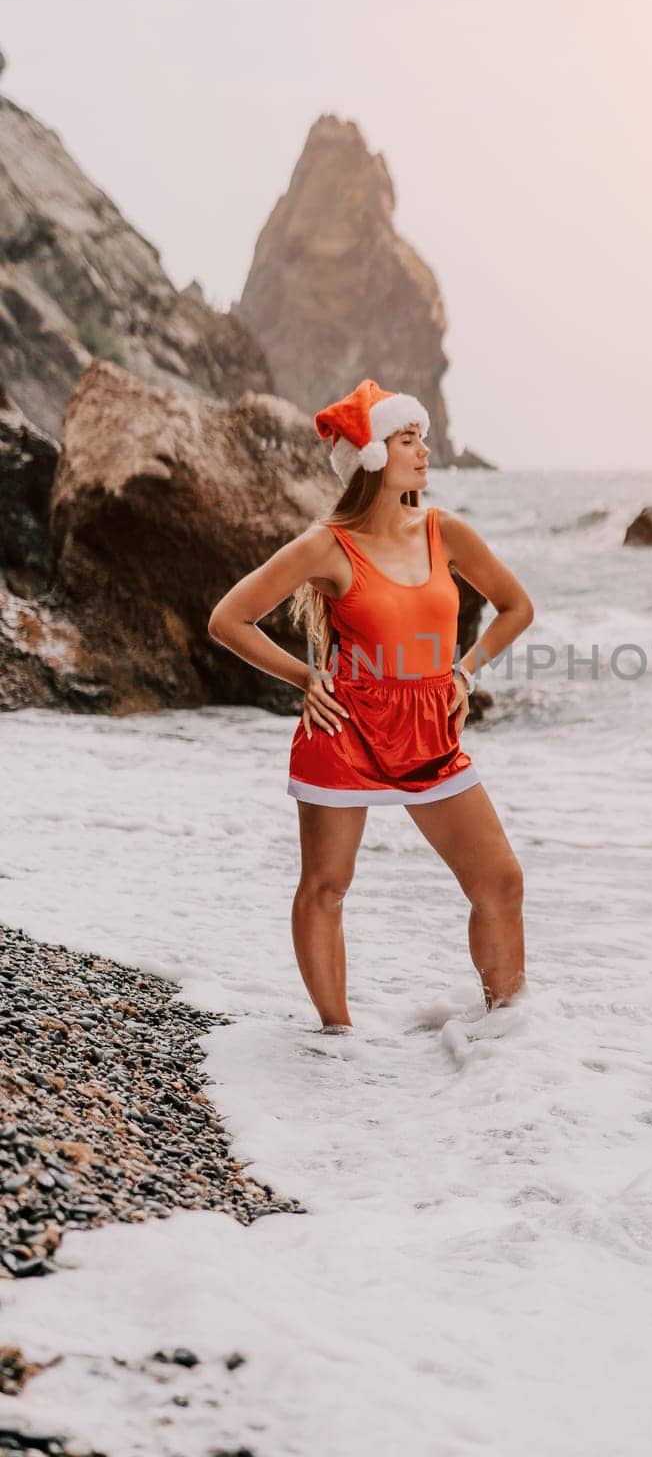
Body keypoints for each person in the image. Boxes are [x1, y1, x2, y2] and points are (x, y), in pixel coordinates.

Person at [207, 378, 534, 1036]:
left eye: (422, 439)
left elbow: (515, 607)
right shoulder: (327, 545)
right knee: (326, 887)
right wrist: (306, 678)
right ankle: (337, 1040)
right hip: (346, 732)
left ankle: (508, 1040)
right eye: (409, 440)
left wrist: (464, 675)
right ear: (373, 459)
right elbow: (229, 618)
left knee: (498, 882)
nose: (424, 453)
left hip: (430, 736)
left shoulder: (446, 533)